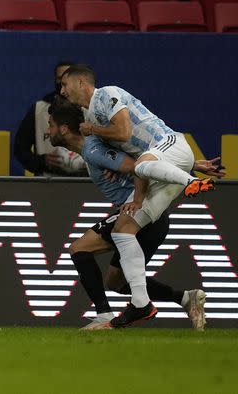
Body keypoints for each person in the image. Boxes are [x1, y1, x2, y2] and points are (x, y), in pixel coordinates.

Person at [60, 65, 216, 327]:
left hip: (168, 147)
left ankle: (192, 182)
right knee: (123, 231)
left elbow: (124, 133)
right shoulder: (96, 121)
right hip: (159, 168)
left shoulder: (106, 96)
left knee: (142, 166)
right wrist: (135, 195)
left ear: (80, 82)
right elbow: (130, 152)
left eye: (65, 84)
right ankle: (142, 305)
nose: (62, 90)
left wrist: (92, 130)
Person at [14, 61, 86, 176]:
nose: (63, 83)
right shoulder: (39, 109)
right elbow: (20, 149)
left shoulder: (89, 108)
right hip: (47, 184)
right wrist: (42, 161)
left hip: (84, 184)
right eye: (59, 78)